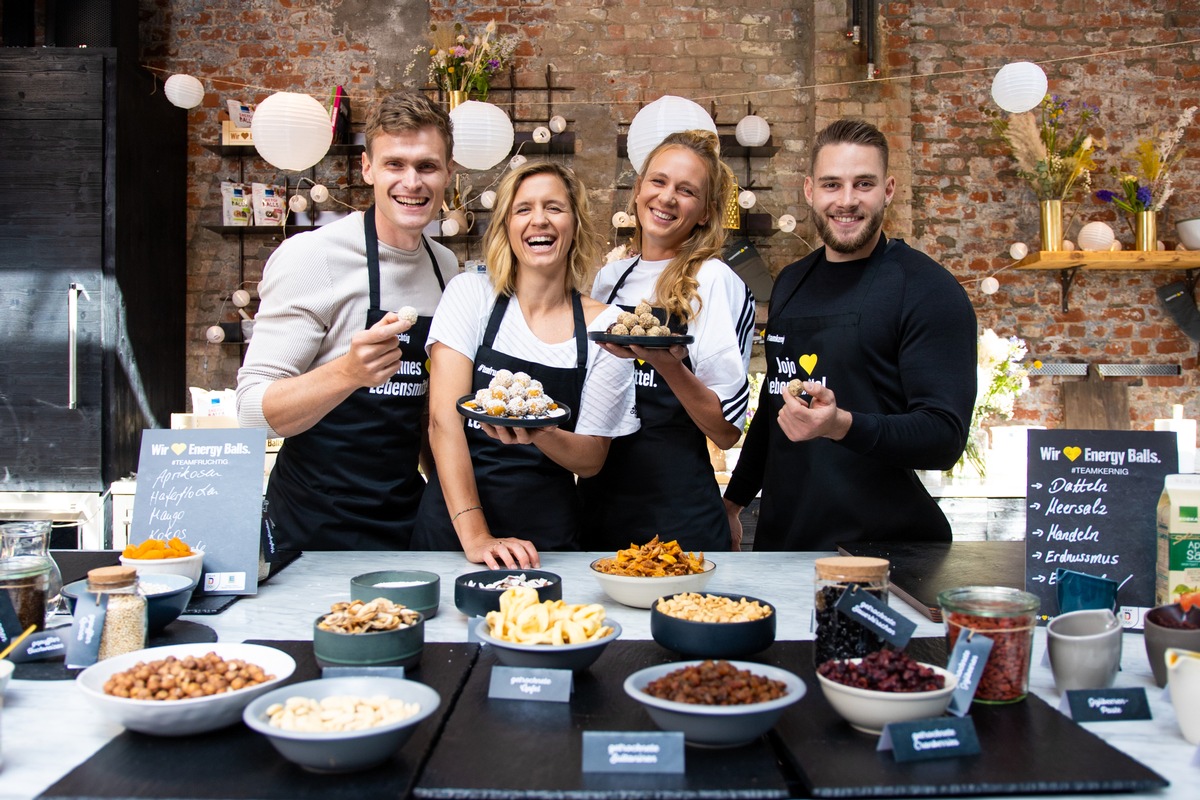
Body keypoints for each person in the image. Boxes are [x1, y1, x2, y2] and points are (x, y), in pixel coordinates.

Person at [722, 118, 976, 551]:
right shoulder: (791, 282)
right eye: (831, 185)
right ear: (809, 191)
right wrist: (733, 502)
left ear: (888, 190)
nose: (846, 201)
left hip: (885, 551)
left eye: (863, 184)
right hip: (786, 542)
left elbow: (943, 438)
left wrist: (841, 425)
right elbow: (774, 411)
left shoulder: (927, 289)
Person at [236, 92, 459, 551]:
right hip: (315, 521)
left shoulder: (445, 266)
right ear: (367, 169)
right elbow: (252, 412)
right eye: (395, 164)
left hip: (404, 517)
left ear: (449, 174)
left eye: (427, 166)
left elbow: (426, 412)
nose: (412, 182)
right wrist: (347, 373)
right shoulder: (312, 257)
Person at [411, 162, 639, 568]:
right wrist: (477, 536)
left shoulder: (605, 326)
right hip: (454, 531)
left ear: (575, 224)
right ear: (505, 226)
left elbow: (591, 460)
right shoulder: (471, 295)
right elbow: (443, 423)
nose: (539, 220)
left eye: (554, 207)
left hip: (546, 541)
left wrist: (540, 431)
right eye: (523, 209)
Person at [578, 130, 756, 554]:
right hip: (597, 503)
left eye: (686, 190)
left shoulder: (713, 281)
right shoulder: (608, 279)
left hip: (678, 512)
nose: (667, 198)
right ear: (638, 189)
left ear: (704, 212)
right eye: (658, 182)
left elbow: (727, 429)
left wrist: (666, 363)